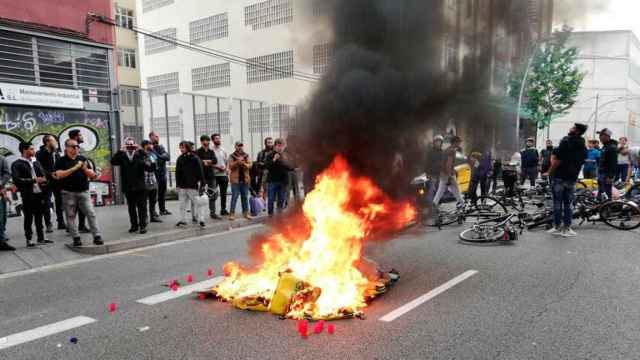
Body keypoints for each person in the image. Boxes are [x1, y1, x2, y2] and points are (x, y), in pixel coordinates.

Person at [53, 139, 102, 247]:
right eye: (73, 146)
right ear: (67, 148)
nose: (76, 148)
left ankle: (97, 236)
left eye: (77, 147)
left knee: (91, 213)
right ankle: (76, 238)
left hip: (83, 191)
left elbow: (92, 175)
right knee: (70, 216)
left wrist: (84, 169)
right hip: (68, 192)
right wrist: (75, 168)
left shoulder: (82, 159)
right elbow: (59, 175)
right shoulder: (61, 161)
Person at [545, 123, 588, 237]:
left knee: (557, 203)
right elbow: (583, 160)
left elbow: (557, 160)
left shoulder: (565, 142)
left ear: (577, 131)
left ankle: (557, 227)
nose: (570, 129)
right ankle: (567, 228)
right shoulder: (583, 146)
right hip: (572, 178)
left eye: (573, 128)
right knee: (568, 204)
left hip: (559, 177)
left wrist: (549, 172)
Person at [12, 142, 52, 247]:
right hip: (28, 194)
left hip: (40, 193)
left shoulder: (36, 162)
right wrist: (34, 180)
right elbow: (17, 180)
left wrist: (46, 179)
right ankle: (29, 239)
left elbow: (42, 174)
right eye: (31, 149)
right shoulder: (17, 164)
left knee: (39, 216)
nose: (34, 151)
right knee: (29, 217)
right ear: (24, 150)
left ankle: (41, 238)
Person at [111, 138, 151, 234]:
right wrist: (120, 150)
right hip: (128, 187)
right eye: (128, 145)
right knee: (131, 208)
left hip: (140, 186)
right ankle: (134, 225)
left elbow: (148, 163)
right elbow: (113, 162)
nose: (130, 147)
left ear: (135, 145)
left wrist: (140, 149)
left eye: (131, 144)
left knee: (142, 207)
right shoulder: (122, 156)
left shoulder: (139, 154)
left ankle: (142, 226)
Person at [36, 135, 64, 232]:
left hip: (57, 180)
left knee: (59, 201)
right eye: (54, 140)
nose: (56, 142)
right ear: (47, 142)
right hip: (46, 181)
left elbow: (59, 165)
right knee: (46, 203)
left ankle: (61, 222)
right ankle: (48, 224)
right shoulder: (40, 153)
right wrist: (50, 174)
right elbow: (39, 168)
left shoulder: (56, 153)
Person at [175, 141, 206, 228]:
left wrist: (203, 184)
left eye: (183, 147)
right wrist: (177, 185)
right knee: (182, 205)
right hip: (182, 186)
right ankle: (183, 220)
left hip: (193, 185)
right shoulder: (180, 158)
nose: (181, 149)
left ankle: (201, 220)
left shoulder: (195, 158)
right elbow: (177, 173)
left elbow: (200, 171)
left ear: (187, 147)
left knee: (198, 203)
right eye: (180, 147)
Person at [68, 129, 93, 233]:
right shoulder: (71, 149)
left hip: (82, 180)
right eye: (80, 135)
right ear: (75, 137)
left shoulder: (79, 148)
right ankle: (73, 227)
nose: (82, 136)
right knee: (75, 206)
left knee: (80, 205)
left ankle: (80, 226)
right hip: (75, 182)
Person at [432, 136, 465, 210]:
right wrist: (450, 176)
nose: (460, 143)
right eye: (459, 142)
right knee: (456, 190)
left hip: (443, 173)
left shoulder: (447, 149)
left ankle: (434, 204)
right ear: (455, 142)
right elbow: (448, 164)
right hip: (448, 174)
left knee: (441, 191)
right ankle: (463, 204)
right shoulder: (452, 151)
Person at [265, 138, 294, 216]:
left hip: (283, 181)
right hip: (272, 181)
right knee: (271, 199)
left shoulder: (286, 155)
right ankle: (270, 214)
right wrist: (274, 159)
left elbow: (290, 167)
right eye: (279, 146)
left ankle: (279, 215)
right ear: (275, 146)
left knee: (281, 199)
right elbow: (267, 166)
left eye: (282, 146)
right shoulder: (270, 155)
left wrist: (293, 167)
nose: (280, 148)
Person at [196, 135, 220, 220]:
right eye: (205, 141)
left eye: (208, 141)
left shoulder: (211, 151)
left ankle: (212, 213)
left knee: (213, 195)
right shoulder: (198, 151)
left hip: (211, 176)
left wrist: (208, 161)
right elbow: (197, 160)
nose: (207, 142)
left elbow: (215, 160)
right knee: (200, 196)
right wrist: (203, 162)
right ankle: (199, 215)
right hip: (202, 177)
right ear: (202, 142)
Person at [228, 141, 252, 220]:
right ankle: (232, 214)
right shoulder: (232, 156)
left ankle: (246, 213)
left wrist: (243, 163)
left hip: (245, 180)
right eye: (238, 146)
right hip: (235, 180)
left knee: (245, 197)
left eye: (241, 146)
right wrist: (237, 162)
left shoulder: (246, 155)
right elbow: (230, 166)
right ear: (235, 146)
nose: (240, 147)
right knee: (234, 197)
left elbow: (250, 165)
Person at [149, 131, 171, 216]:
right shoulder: (149, 148)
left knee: (162, 193)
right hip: (154, 175)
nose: (158, 138)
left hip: (162, 174)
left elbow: (167, 157)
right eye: (156, 136)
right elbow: (153, 160)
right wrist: (161, 157)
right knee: (154, 194)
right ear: (151, 137)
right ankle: (153, 212)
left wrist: (159, 156)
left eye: (158, 136)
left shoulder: (161, 147)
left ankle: (162, 210)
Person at [141, 140, 161, 224]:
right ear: (145, 146)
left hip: (153, 180)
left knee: (153, 200)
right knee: (144, 201)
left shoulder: (152, 154)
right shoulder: (140, 155)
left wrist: (153, 153)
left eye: (150, 144)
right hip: (144, 181)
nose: (150, 146)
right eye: (149, 144)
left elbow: (155, 164)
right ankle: (145, 217)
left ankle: (153, 216)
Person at [597, 128, 618, 201]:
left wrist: (610, 176)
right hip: (602, 173)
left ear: (606, 136)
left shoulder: (612, 147)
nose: (599, 137)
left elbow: (613, 163)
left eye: (601, 135)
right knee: (601, 192)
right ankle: (601, 207)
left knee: (606, 193)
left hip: (606, 175)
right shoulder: (605, 146)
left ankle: (607, 209)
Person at [211, 133, 229, 216]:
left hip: (223, 175)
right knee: (213, 194)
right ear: (213, 140)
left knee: (223, 193)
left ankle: (223, 209)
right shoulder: (211, 150)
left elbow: (227, 161)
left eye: (219, 138)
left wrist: (227, 168)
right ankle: (213, 212)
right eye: (216, 139)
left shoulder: (223, 150)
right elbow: (210, 163)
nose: (218, 140)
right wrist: (217, 167)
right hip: (214, 175)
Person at [0, 155, 13, 251]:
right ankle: (1, 241)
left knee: (3, 216)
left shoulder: (1, 159)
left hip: (1, 191)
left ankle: (1, 235)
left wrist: (1, 184)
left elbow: (7, 173)